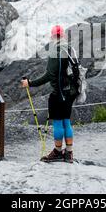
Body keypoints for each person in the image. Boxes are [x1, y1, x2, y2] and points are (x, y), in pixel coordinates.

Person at [21, 25, 75, 163]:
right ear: (63, 36)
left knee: (57, 123)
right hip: (69, 92)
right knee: (66, 122)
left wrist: (30, 83)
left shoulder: (54, 51)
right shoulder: (69, 49)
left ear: (52, 36)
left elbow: (48, 76)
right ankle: (69, 153)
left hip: (58, 94)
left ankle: (57, 151)